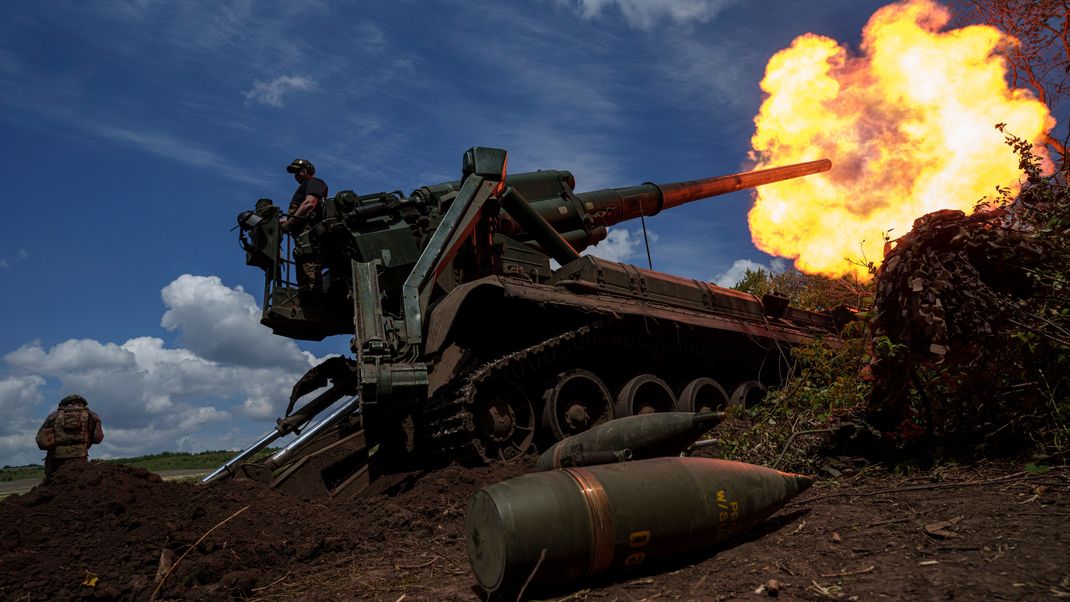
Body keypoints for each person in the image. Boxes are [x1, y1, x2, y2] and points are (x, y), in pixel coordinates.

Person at [281, 158, 329, 290]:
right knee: (305, 283)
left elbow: (309, 204)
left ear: (309, 171)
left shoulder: (315, 182)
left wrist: (289, 223)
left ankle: (316, 303)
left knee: (312, 281)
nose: (296, 174)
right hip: (302, 245)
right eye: (294, 172)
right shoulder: (304, 187)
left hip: (310, 242)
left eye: (299, 170)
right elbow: (296, 215)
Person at [35, 394, 104, 481]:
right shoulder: (92, 416)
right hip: (80, 457)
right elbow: (98, 439)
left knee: (51, 484)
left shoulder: (53, 416)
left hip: (55, 458)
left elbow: (40, 438)